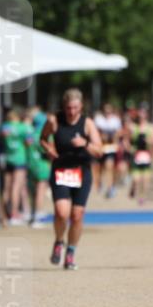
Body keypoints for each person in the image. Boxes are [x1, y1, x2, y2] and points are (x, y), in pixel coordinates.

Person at [39, 88, 104, 270]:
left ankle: (71, 252)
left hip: (82, 172)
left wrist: (85, 144)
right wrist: (49, 149)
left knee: (77, 215)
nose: (72, 112)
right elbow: (42, 138)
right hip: (61, 170)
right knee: (61, 213)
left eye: (75, 108)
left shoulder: (87, 124)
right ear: (64, 107)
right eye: (68, 108)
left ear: (81, 106)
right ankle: (59, 241)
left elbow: (99, 150)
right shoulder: (54, 121)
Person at [0, 107, 31, 225]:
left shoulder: (5, 126)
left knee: (7, 188)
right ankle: (14, 213)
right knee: (17, 187)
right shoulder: (23, 127)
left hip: (8, 159)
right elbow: (29, 142)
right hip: (20, 159)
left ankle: (4, 215)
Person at [126, 106, 153, 206]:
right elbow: (125, 139)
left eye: (143, 113)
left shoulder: (151, 127)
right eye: (140, 113)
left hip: (147, 155)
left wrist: (149, 141)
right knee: (136, 179)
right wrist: (130, 148)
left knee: (145, 180)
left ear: (146, 115)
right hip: (136, 155)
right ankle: (133, 187)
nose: (141, 116)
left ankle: (142, 197)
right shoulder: (132, 127)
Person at [25, 106, 52, 228]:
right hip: (42, 164)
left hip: (31, 164)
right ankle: (37, 216)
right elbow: (47, 150)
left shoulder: (29, 132)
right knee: (41, 191)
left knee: (33, 191)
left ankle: (32, 214)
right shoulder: (44, 134)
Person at [93, 102, 123, 197]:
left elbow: (119, 133)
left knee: (109, 167)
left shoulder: (116, 120)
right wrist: (101, 137)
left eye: (109, 111)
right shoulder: (98, 119)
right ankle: (100, 182)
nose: (107, 113)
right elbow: (94, 132)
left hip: (111, 148)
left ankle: (110, 188)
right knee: (100, 168)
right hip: (100, 147)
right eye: (106, 111)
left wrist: (115, 138)